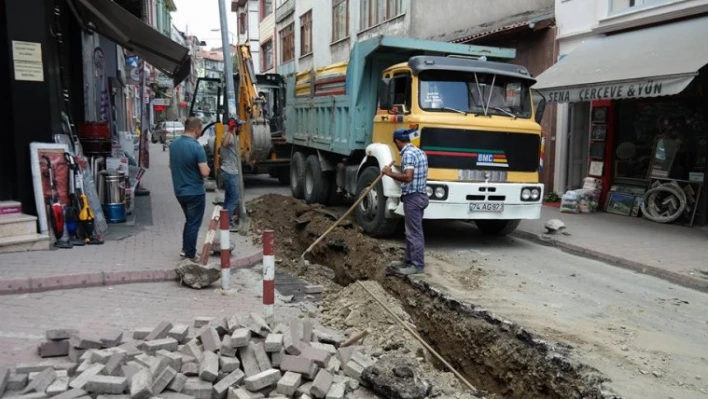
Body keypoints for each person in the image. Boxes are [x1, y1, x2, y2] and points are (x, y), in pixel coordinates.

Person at [382, 128, 429, 275]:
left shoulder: (408, 154)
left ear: (397, 141)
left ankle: (417, 265)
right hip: (420, 195)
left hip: (413, 197)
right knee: (410, 231)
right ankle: (408, 260)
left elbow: (408, 177)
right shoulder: (419, 152)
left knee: (414, 232)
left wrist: (390, 174)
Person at [169, 117, 210, 261]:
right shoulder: (196, 147)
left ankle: (185, 249)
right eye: (201, 129)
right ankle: (190, 254)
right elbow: (204, 172)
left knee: (189, 221)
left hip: (179, 191)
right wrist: (208, 169)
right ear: (196, 129)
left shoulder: (174, 145)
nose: (201, 132)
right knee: (193, 223)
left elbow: (171, 166)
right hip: (195, 191)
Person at [221, 118, 243, 232]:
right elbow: (224, 144)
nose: (242, 129)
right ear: (236, 127)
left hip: (232, 171)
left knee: (228, 198)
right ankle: (228, 223)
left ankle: (224, 221)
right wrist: (230, 130)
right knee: (234, 198)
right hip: (230, 172)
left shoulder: (235, 137)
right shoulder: (228, 136)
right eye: (240, 127)